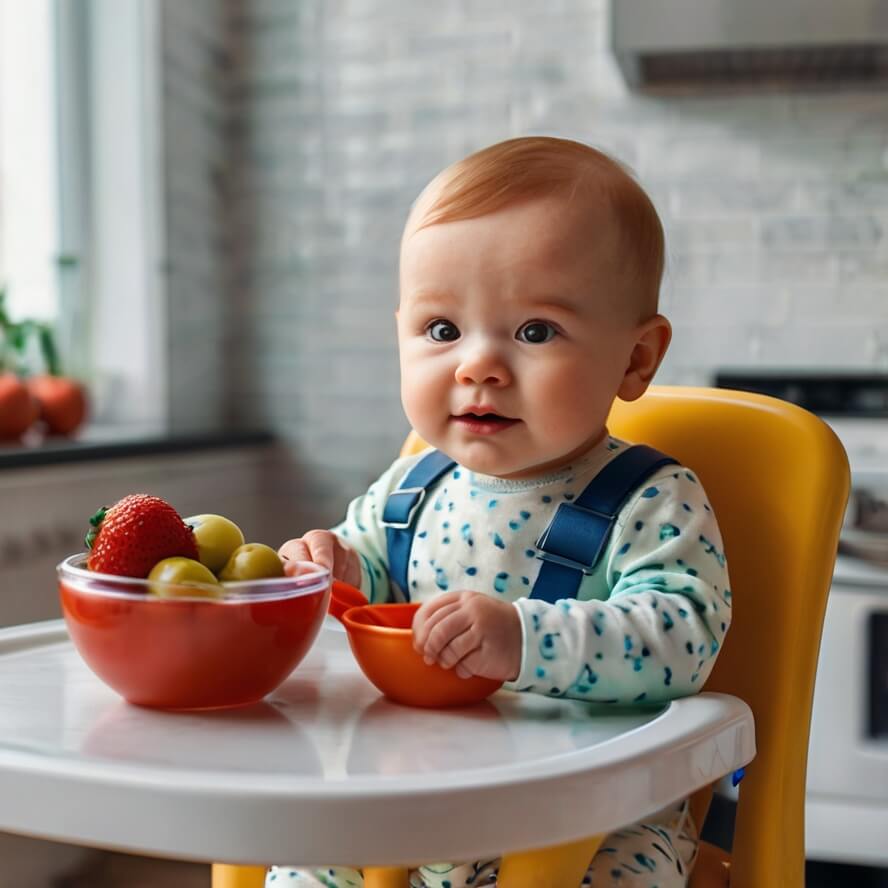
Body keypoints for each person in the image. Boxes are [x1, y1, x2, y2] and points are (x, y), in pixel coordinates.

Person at [268, 136, 731, 887]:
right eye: (443, 330)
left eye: (535, 331)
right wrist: (335, 564)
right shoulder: (410, 486)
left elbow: (683, 635)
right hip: (409, 800)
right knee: (299, 865)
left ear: (636, 360)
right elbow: (371, 581)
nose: (476, 365)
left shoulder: (652, 498)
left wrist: (523, 637)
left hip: (593, 816)